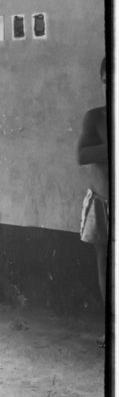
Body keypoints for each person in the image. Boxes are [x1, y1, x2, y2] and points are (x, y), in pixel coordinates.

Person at [77, 57, 109, 311]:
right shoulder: (96, 117)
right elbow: (83, 155)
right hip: (103, 202)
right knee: (105, 263)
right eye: (106, 81)